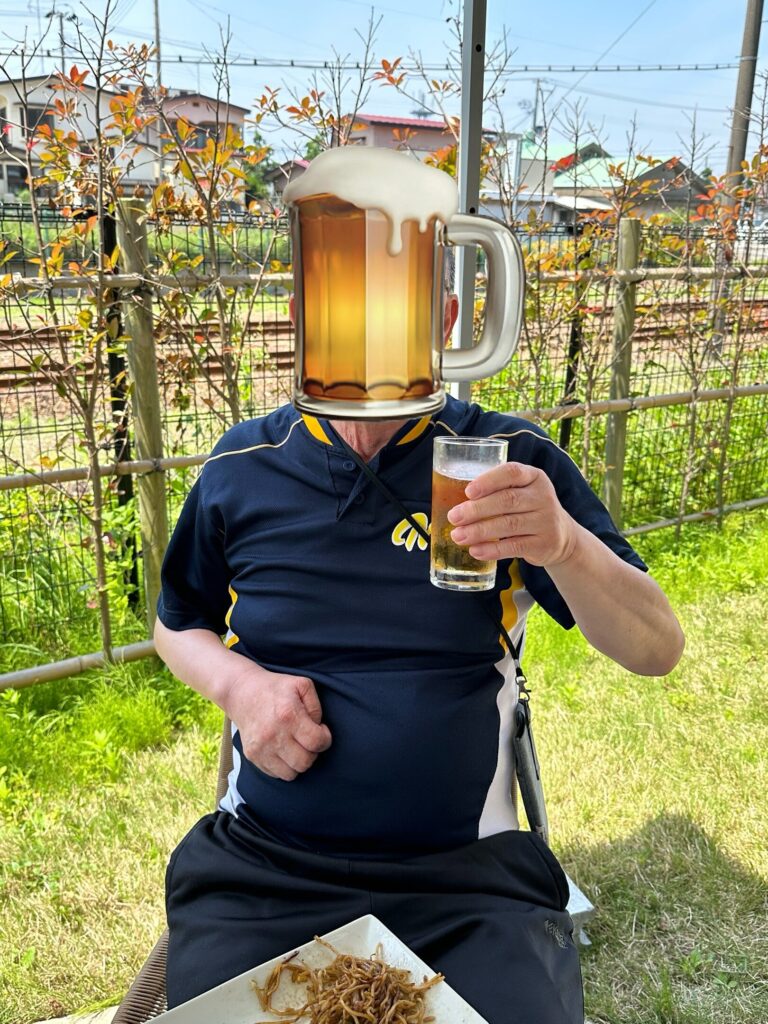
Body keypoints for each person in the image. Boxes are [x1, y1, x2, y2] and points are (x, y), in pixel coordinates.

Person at [154, 287, 684, 1024]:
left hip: (468, 883)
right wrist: (239, 687)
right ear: (303, 320)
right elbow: (177, 624)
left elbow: (657, 647)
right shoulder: (244, 465)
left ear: (445, 319)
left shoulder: (506, 461)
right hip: (266, 870)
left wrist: (563, 543)